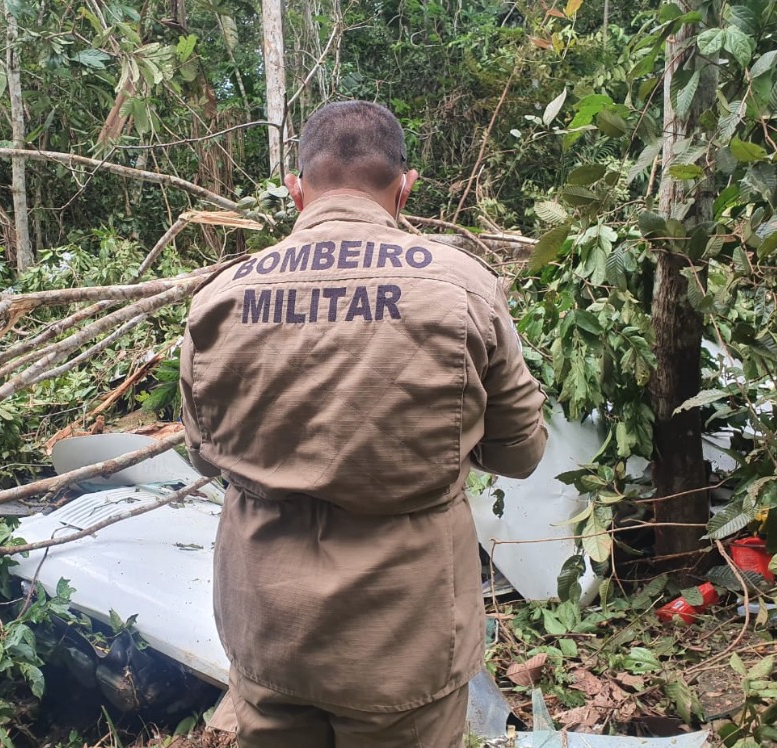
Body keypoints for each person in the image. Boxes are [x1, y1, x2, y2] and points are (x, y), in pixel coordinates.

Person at [179, 101, 547, 748]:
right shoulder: (464, 287)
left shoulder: (218, 298)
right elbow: (521, 453)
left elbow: (205, 456)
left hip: (268, 640)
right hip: (404, 645)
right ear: (405, 187)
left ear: (296, 191)